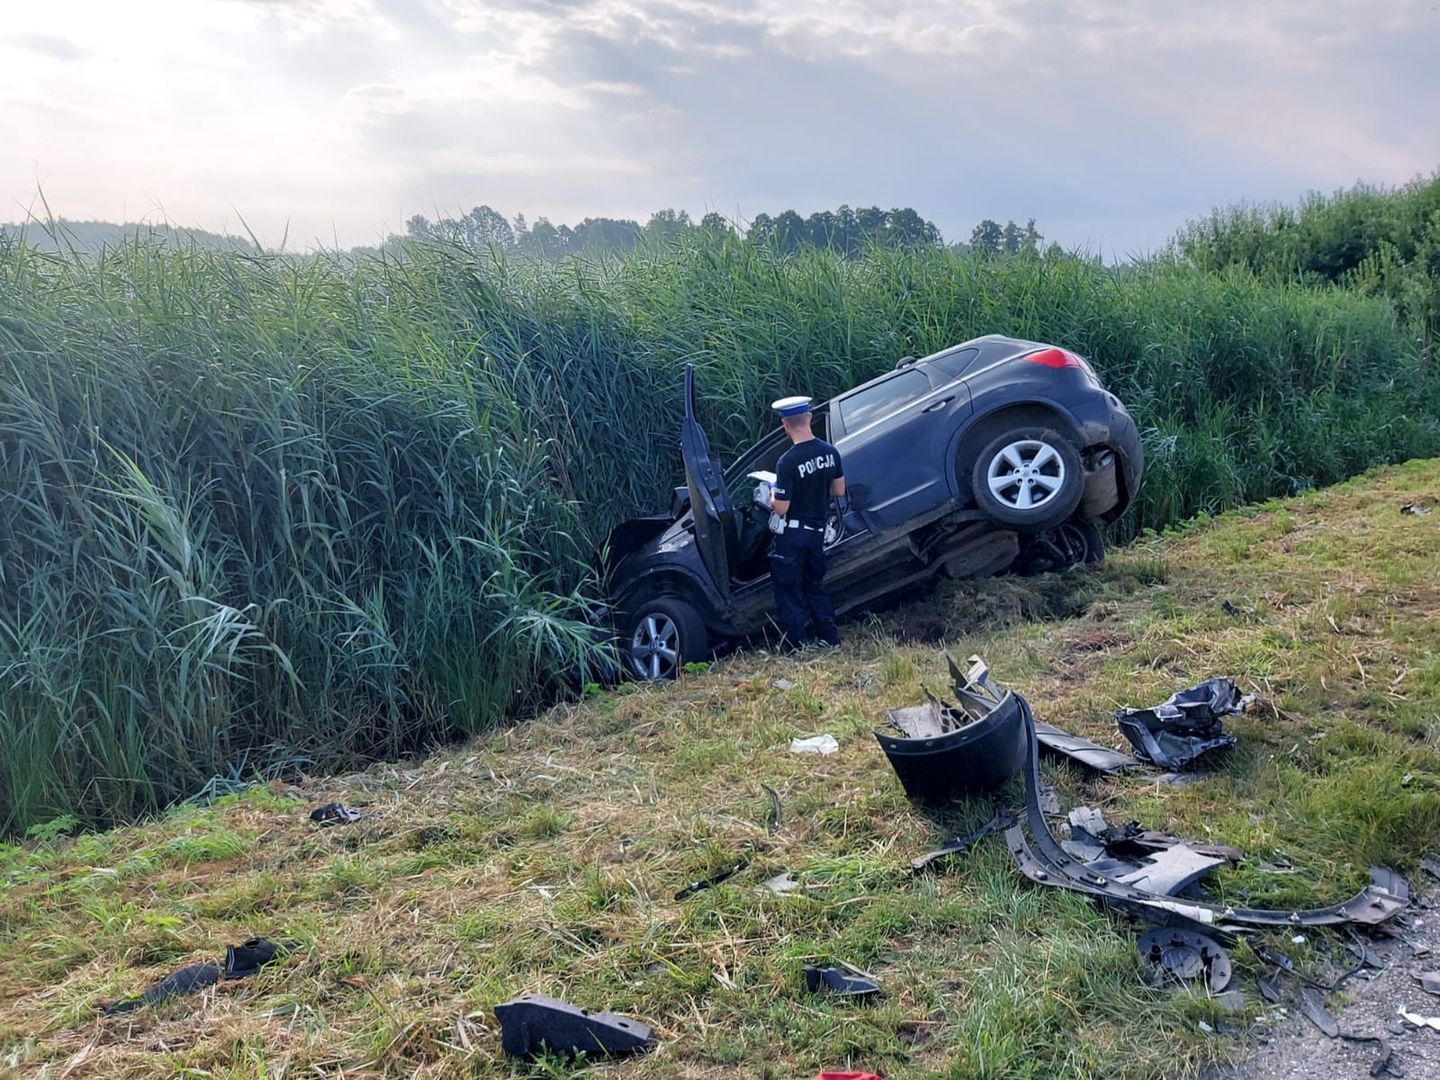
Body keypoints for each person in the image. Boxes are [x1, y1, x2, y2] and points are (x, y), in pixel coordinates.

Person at [768, 395, 845, 650]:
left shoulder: (787, 462)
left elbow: (781, 507)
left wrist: (771, 493)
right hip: (817, 533)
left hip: (792, 536)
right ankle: (830, 638)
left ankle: (796, 644)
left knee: (788, 589)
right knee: (815, 586)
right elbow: (838, 490)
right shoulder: (830, 452)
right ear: (809, 418)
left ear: (785, 425)